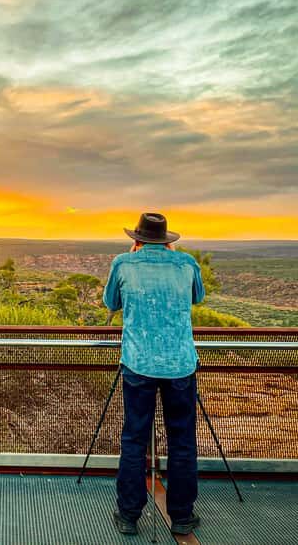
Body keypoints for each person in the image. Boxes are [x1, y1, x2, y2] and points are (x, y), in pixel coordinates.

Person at [103, 212, 204, 537]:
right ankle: (182, 517)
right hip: (180, 366)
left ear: (137, 239)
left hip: (139, 364)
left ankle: (129, 515)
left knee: (134, 438)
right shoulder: (186, 263)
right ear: (167, 241)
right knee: (182, 440)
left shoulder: (124, 263)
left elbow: (111, 302)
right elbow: (197, 297)